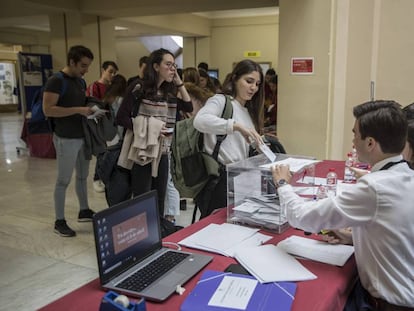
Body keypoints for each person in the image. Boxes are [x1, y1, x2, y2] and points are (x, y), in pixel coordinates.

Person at [271, 100, 414, 310]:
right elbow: (394, 235)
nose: (353, 142)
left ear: (370, 143)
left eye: (355, 134)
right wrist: (352, 237)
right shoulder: (406, 176)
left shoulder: (374, 187)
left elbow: (302, 216)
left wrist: (282, 184)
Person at [116, 48, 192, 218]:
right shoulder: (139, 87)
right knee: (143, 198)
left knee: (159, 198)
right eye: (168, 64)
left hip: (163, 150)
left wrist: (179, 82)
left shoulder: (167, 93)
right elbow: (121, 117)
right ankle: (143, 237)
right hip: (143, 150)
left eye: (174, 65)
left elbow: (188, 107)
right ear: (156, 67)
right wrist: (150, 129)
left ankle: (155, 236)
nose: (172, 68)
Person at [193, 59, 265, 219]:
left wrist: (260, 145)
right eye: (249, 81)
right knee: (213, 227)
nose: (253, 87)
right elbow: (199, 121)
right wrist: (236, 126)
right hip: (219, 178)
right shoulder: (220, 100)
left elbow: (241, 145)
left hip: (241, 178)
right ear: (235, 78)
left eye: (257, 84)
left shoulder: (249, 111)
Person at [42, 45, 95, 237]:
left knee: (82, 177)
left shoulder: (80, 81)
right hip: (66, 138)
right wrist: (78, 110)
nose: (85, 70)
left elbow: (80, 104)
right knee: (63, 180)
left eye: (87, 66)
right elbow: (48, 110)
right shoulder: (56, 81)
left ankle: (84, 209)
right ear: (71, 62)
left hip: (82, 135)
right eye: (82, 65)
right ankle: (59, 220)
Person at [86, 60, 118, 192]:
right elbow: (92, 106)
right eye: (110, 71)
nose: (112, 75)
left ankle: (105, 177)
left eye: (114, 73)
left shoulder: (112, 87)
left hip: (109, 124)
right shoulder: (95, 86)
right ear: (103, 70)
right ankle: (96, 178)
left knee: (108, 153)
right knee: (101, 152)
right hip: (97, 124)